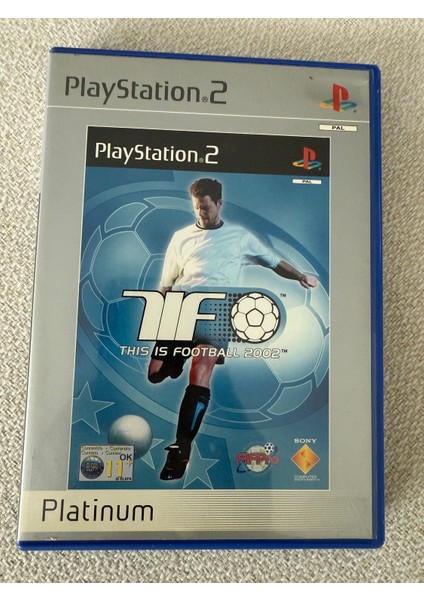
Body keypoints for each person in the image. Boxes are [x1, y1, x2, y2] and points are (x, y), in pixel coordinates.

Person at [148, 178, 318, 480]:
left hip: (218, 310)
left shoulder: (239, 237)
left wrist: (300, 275)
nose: (201, 213)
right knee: (155, 374)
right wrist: (161, 320)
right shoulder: (181, 237)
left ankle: (181, 451)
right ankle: (173, 362)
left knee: (201, 368)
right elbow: (166, 284)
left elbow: (274, 262)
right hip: (181, 307)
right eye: (197, 208)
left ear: (219, 204)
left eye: (206, 208)